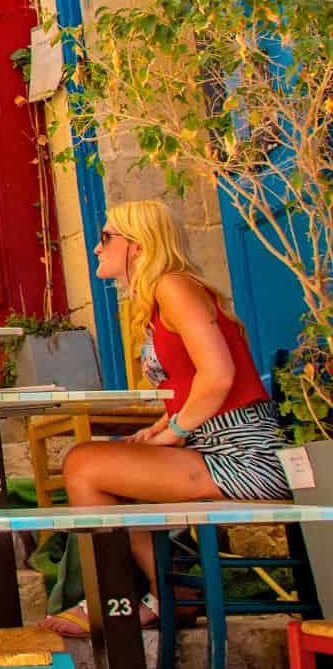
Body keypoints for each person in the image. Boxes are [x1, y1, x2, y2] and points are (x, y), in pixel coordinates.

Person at [42, 200, 292, 637]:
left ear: (138, 246)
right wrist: (160, 427)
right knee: (99, 463)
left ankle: (118, 601)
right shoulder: (158, 299)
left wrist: (174, 432)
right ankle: (161, 595)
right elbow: (191, 385)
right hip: (210, 446)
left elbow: (219, 376)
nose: (97, 248)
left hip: (242, 453)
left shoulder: (174, 286)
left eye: (106, 238)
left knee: (84, 464)